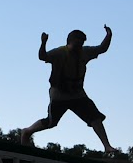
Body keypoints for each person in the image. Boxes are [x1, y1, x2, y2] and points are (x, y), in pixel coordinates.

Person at [19, 25, 117, 154]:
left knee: (95, 117)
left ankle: (107, 146)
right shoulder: (59, 52)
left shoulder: (85, 52)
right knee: (51, 122)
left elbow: (102, 48)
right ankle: (27, 131)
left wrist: (109, 35)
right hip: (59, 94)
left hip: (77, 94)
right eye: (77, 43)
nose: (79, 46)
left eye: (81, 44)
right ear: (70, 41)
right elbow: (42, 57)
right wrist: (43, 43)